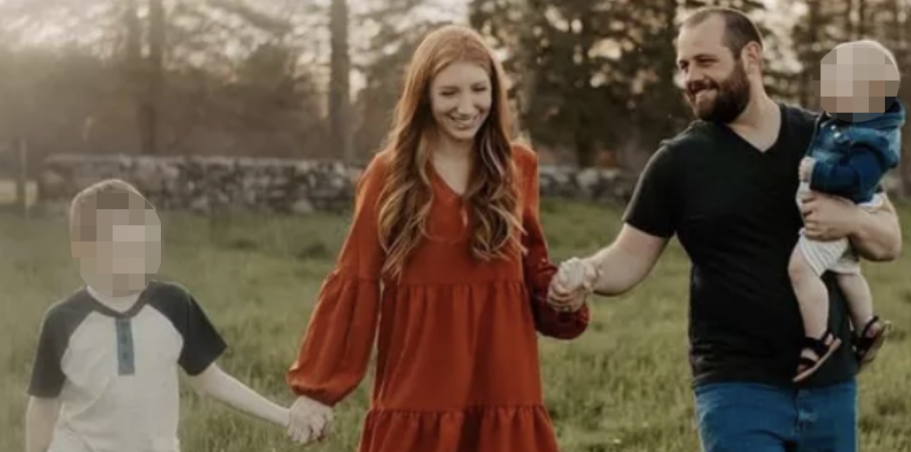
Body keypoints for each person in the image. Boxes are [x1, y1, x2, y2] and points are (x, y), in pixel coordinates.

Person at [549, 7, 902, 452]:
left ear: (751, 56)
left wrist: (849, 219)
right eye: (683, 66)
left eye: (705, 61)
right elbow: (628, 257)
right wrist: (586, 274)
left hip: (830, 384)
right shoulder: (678, 162)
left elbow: (889, 241)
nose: (691, 77)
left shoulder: (826, 138)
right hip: (735, 387)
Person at [283, 25, 591, 451]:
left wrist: (563, 294)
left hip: (503, 384)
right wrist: (316, 390)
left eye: (479, 90)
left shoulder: (517, 167)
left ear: (495, 92)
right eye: (449, 93)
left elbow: (532, 274)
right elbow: (356, 280)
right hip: (419, 386)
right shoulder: (389, 174)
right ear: (424, 95)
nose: (467, 107)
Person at [24, 179, 315, 452]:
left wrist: (285, 416)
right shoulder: (63, 321)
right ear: (84, 250)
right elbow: (43, 405)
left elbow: (211, 380)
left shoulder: (174, 304)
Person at [789, 39, 904, 382]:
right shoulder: (840, 122)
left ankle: (818, 340)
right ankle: (867, 325)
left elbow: (856, 180)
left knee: (801, 270)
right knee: (846, 271)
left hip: (836, 212)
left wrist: (816, 173)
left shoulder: (871, 139)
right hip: (835, 212)